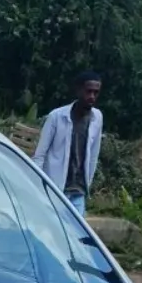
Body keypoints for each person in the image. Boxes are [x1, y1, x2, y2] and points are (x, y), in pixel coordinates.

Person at [32, 71, 103, 216]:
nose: (92, 97)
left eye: (96, 93)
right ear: (78, 90)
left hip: (78, 193)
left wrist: (86, 184)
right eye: (88, 91)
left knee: (75, 236)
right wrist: (39, 187)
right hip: (55, 190)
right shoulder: (57, 117)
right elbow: (39, 155)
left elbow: (93, 155)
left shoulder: (97, 117)